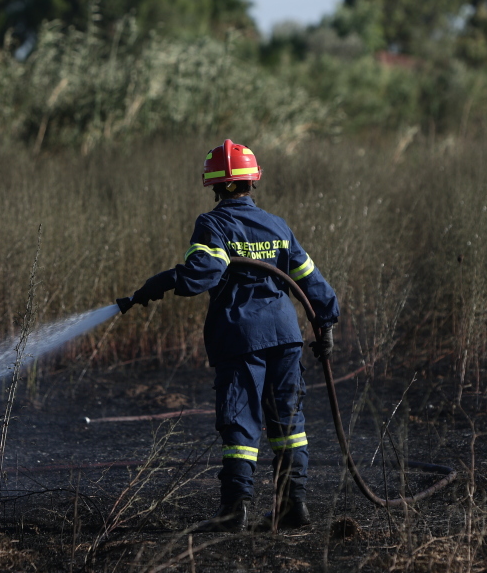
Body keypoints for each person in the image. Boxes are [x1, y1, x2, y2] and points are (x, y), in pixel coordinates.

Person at [117, 139, 340, 532]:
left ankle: (234, 512)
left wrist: (162, 282)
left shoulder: (214, 224)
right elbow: (310, 280)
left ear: (215, 186)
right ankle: (293, 506)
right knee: (288, 420)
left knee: (240, 422)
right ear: (253, 181)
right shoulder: (277, 225)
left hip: (241, 337)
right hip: (285, 335)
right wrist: (326, 322)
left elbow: (203, 273)